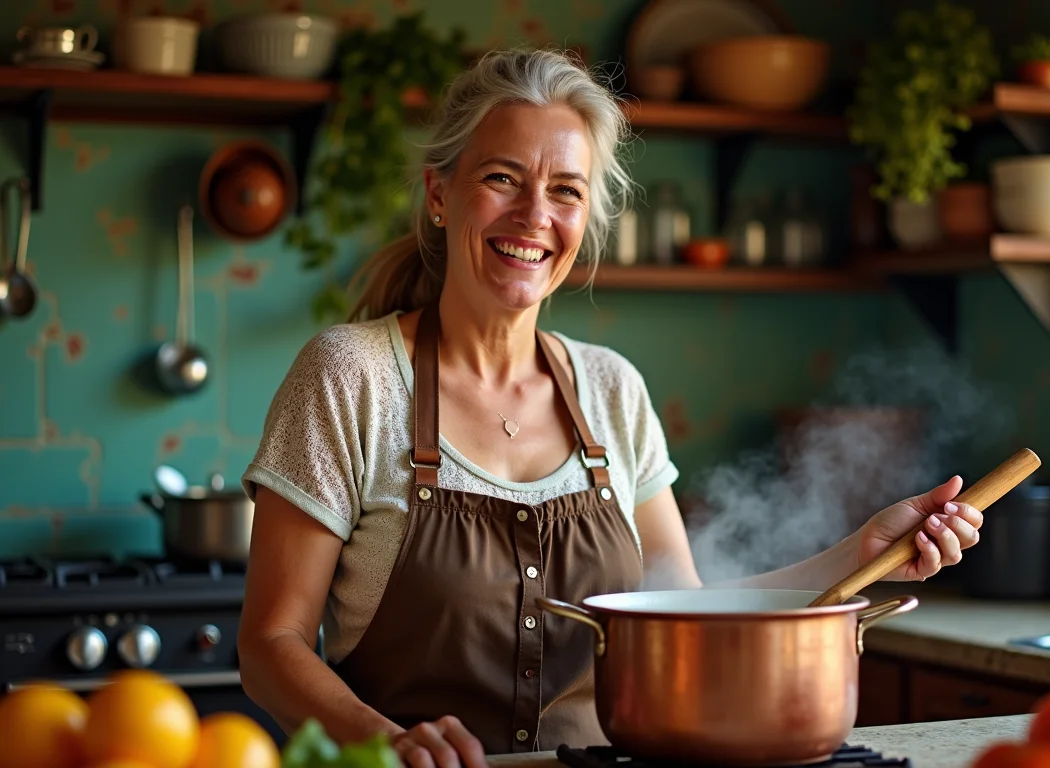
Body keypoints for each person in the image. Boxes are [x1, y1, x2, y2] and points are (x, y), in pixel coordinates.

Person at [237, 48, 983, 768]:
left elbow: (683, 613)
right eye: (502, 178)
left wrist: (862, 552)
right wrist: (386, 742)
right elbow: (271, 644)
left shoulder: (611, 389)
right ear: (440, 194)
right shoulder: (351, 377)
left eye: (566, 189)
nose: (534, 214)